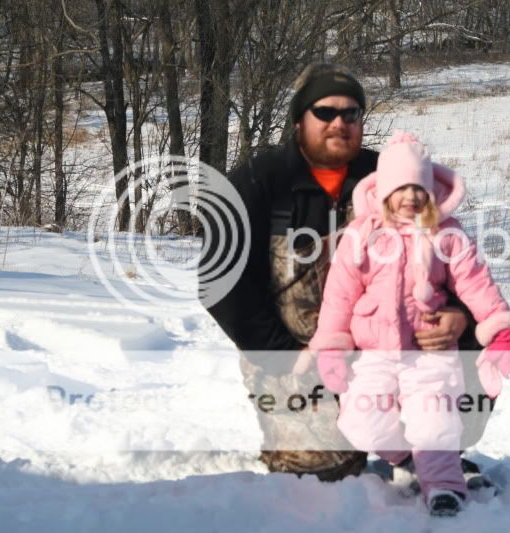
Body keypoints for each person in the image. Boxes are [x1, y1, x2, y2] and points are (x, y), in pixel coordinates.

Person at [200, 63, 475, 482]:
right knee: (323, 475)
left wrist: (458, 314)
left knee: (484, 345)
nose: (339, 123)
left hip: (391, 342)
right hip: (298, 355)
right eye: (325, 112)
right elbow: (220, 284)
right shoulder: (257, 181)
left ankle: (431, 453)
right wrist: (283, 355)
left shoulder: (388, 176)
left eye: (351, 114)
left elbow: (453, 258)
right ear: (299, 120)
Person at [308, 131, 510, 516]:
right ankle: (409, 460)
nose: (411, 197)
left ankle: (444, 486)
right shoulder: (362, 234)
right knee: (360, 421)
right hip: (375, 353)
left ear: (430, 190)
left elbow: (475, 282)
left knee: (433, 419)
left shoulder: (447, 234)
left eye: (418, 188)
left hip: (428, 351)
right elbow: (339, 294)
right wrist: (332, 348)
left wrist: (501, 330)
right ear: (384, 191)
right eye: (401, 188)